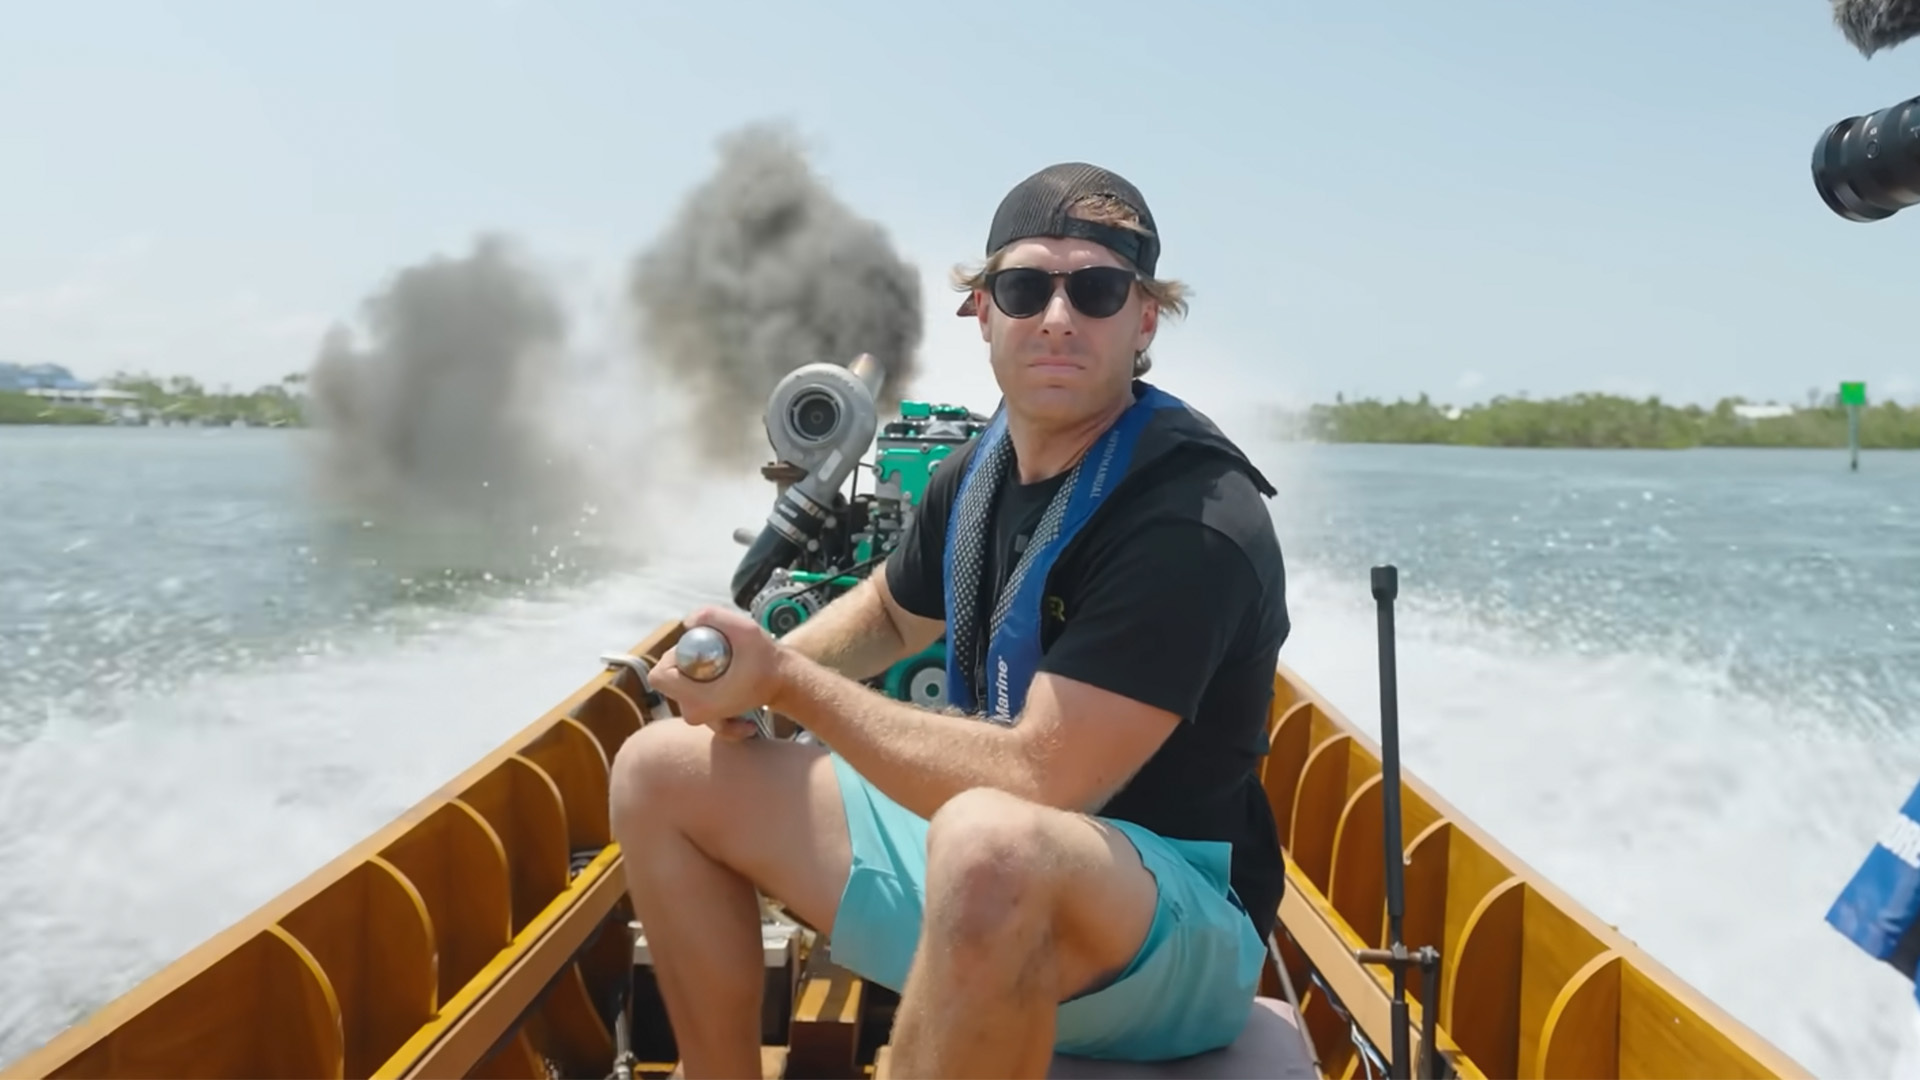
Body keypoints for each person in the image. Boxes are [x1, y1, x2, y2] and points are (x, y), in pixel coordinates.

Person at [609, 162, 1291, 1079]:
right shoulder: (977, 473)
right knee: (661, 769)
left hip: (1170, 940)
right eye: (1025, 288)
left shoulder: (1192, 518)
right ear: (983, 312)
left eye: (1096, 290)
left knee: (990, 841)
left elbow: (1042, 780)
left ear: (1143, 321)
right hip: (987, 869)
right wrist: (756, 677)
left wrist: (789, 683)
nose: (1058, 317)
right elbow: (892, 615)